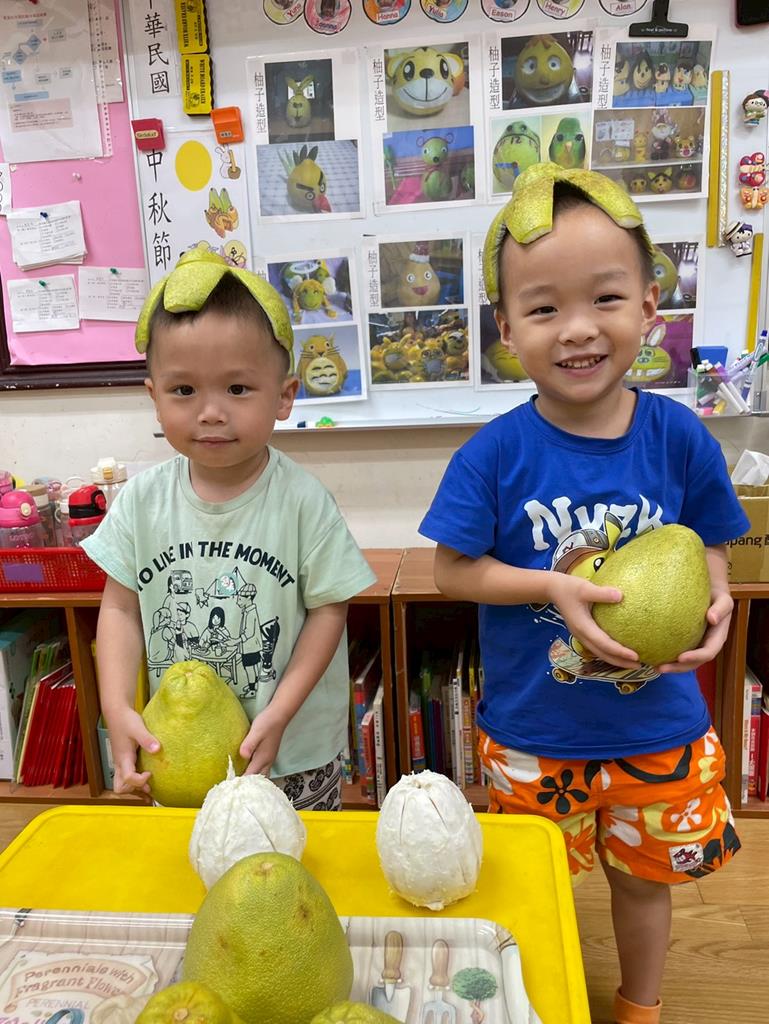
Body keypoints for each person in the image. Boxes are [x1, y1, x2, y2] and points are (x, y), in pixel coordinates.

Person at [419, 163, 749, 1024]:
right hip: (536, 733)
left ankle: (639, 1007)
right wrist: (550, 585)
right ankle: (542, 1006)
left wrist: (716, 598)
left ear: (649, 307)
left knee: (643, 885)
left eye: (605, 299)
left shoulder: (679, 437)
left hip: (657, 727)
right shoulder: (493, 454)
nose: (577, 329)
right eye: (542, 308)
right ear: (505, 329)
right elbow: (450, 571)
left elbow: (711, 542)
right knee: (534, 886)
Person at [83, 250, 376, 812]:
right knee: (194, 864)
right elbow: (120, 609)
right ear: (153, 397)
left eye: (237, 389)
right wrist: (117, 707)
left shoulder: (303, 501)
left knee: (295, 866)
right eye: (184, 391)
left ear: (284, 396)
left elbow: (329, 612)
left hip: (290, 756)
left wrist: (280, 712)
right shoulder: (140, 502)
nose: (211, 412)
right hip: (181, 756)